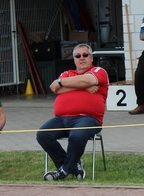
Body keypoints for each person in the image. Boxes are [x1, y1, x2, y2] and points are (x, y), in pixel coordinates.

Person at [37, 43, 109, 180]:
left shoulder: (99, 71)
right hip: (61, 119)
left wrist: (64, 83)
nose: (82, 58)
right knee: (43, 134)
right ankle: (72, 165)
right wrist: (83, 87)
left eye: (85, 55)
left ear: (91, 58)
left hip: (88, 118)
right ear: (74, 60)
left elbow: (87, 80)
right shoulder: (66, 73)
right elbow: (54, 87)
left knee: (77, 135)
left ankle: (64, 171)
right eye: (78, 56)